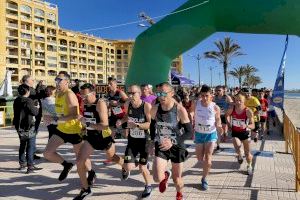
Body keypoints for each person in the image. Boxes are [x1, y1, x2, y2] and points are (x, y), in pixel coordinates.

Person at [74, 83, 124, 200]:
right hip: (91, 138)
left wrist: (87, 124)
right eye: (82, 96)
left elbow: (104, 125)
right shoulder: (84, 102)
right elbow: (86, 119)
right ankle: (86, 189)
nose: (83, 99)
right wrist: (82, 127)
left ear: (93, 93)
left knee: (112, 158)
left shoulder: (100, 103)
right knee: (79, 161)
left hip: (104, 137)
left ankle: (124, 166)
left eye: (85, 96)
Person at [43, 71, 92, 182]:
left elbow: (75, 115)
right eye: (56, 79)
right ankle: (67, 165)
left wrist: (54, 119)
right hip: (62, 129)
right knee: (47, 153)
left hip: (75, 131)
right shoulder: (57, 93)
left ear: (67, 82)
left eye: (59, 80)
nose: (57, 82)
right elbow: (62, 112)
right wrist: (50, 118)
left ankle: (91, 173)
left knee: (82, 159)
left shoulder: (70, 94)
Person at [150, 82, 192, 200]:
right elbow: (152, 127)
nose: (161, 96)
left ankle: (179, 194)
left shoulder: (179, 109)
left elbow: (189, 132)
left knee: (177, 180)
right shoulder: (155, 109)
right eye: (158, 93)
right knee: (157, 178)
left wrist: (172, 141)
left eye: (164, 93)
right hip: (162, 144)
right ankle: (165, 175)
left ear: (172, 93)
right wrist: (152, 142)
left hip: (177, 146)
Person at [116, 85, 153, 198]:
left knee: (142, 168)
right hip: (132, 140)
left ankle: (148, 186)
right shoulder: (128, 104)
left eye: (133, 93)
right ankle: (138, 162)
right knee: (128, 167)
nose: (131, 95)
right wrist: (121, 121)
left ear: (139, 93)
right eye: (129, 93)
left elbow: (149, 124)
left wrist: (137, 125)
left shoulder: (146, 106)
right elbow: (127, 117)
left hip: (144, 141)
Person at [190, 85, 223, 190]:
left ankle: (204, 178)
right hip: (199, 134)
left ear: (211, 96)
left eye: (207, 96)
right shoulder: (196, 104)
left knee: (208, 159)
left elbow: (218, 119)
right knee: (200, 158)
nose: (204, 98)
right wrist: (191, 116)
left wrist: (219, 126)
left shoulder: (215, 107)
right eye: (202, 95)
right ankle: (205, 167)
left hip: (210, 134)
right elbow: (191, 111)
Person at [13, 84, 42, 173]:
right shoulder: (28, 101)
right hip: (29, 127)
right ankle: (30, 166)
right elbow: (35, 113)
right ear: (28, 91)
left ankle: (22, 164)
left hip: (19, 126)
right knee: (30, 146)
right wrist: (37, 107)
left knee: (22, 145)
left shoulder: (17, 100)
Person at [226, 94, 255, 175]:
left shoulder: (248, 111)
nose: (238, 102)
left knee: (248, 153)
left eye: (240, 101)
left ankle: (249, 166)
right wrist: (229, 125)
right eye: (236, 100)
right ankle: (239, 154)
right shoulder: (232, 109)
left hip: (245, 133)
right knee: (236, 144)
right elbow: (227, 115)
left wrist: (246, 125)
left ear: (244, 101)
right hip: (235, 133)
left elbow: (253, 125)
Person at [213, 85, 233, 151]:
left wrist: (229, 111)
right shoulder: (214, 97)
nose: (217, 92)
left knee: (224, 128)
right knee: (218, 129)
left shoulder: (226, 97)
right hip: (217, 116)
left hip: (225, 115)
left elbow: (232, 104)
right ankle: (218, 144)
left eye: (219, 90)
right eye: (216, 90)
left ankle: (225, 134)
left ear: (223, 91)